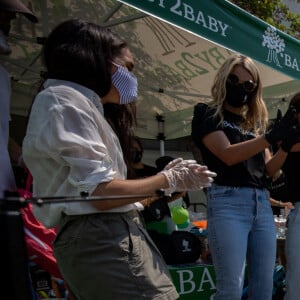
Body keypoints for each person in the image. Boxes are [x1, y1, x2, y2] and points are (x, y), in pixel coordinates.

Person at [22, 19, 217, 300]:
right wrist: (166, 179)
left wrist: (162, 186)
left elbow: (103, 191)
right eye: (128, 68)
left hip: (110, 234)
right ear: (97, 61)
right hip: (102, 237)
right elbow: (99, 193)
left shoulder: (82, 104)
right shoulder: (64, 100)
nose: (132, 77)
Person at [191, 53, 299, 300]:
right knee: (230, 288)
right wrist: (269, 138)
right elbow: (227, 155)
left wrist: (285, 145)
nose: (241, 88)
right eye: (234, 80)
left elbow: (270, 171)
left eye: (248, 84)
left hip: (261, 204)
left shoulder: (254, 125)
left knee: (263, 288)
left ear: (255, 89)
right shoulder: (207, 114)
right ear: (222, 80)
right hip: (228, 202)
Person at [0, 0, 37, 198]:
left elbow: (2, 134)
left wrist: (23, 158)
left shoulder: (2, 77)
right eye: (4, 11)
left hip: (5, 192)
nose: (12, 18)